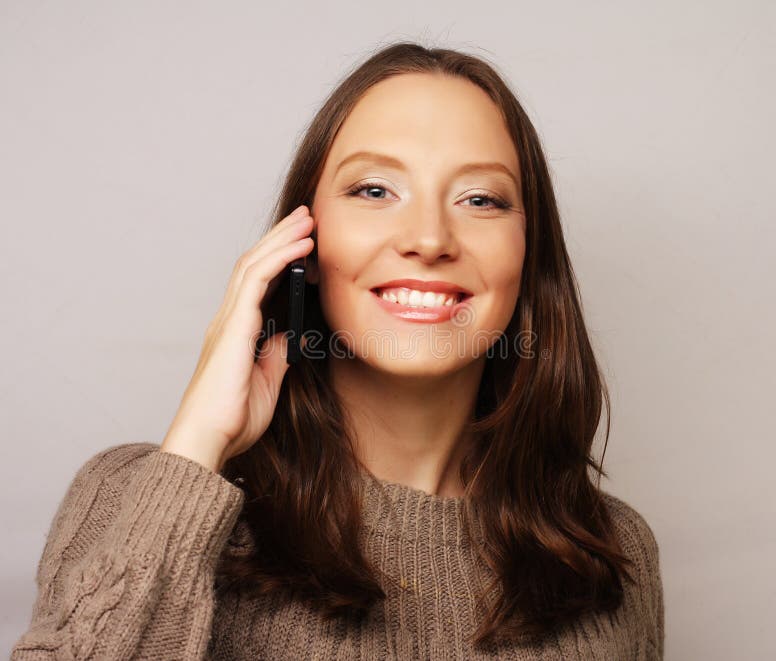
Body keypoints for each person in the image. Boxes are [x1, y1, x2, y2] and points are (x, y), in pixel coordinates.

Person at [12, 41, 664, 660]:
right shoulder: (132, 499)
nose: (430, 237)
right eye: (374, 190)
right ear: (304, 247)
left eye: (480, 198)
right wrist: (196, 448)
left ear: (528, 257)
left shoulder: (609, 553)